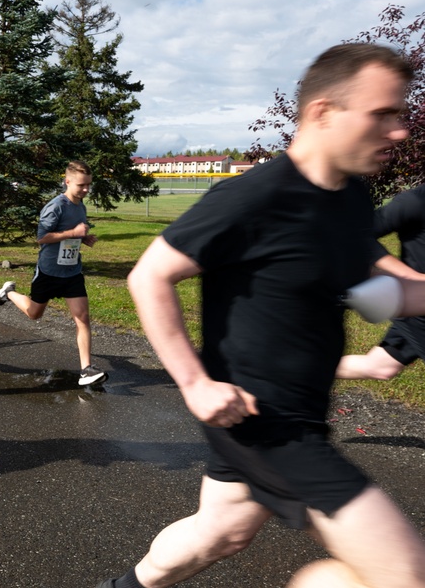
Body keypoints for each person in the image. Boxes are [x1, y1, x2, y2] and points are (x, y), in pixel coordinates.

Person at [101, 44, 425, 588]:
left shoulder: (346, 198)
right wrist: (195, 383)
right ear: (323, 112)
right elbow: (149, 275)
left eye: (402, 115)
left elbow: (379, 290)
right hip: (264, 422)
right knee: (406, 573)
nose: (399, 132)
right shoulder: (254, 197)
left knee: (220, 532)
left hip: (297, 410)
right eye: (383, 114)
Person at [0, 161, 107, 387]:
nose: (85, 190)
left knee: (82, 318)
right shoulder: (55, 206)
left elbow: (72, 235)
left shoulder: (80, 207)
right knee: (34, 314)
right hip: (48, 271)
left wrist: (83, 239)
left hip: (72, 271)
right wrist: (73, 232)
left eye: (88, 186)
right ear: (67, 181)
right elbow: (42, 237)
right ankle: (9, 292)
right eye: (81, 185)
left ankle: (86, 369)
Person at [338, 183, 425, 380]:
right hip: (417, 311)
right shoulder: (416, 201)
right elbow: (356, 236)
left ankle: (284, 370)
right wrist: (408, 276)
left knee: (379, 366)